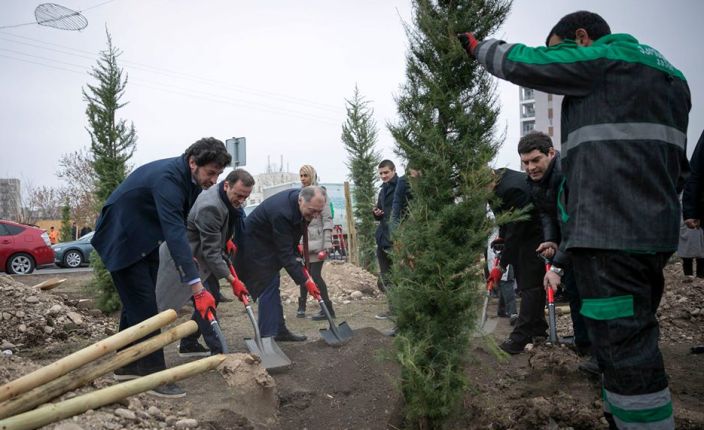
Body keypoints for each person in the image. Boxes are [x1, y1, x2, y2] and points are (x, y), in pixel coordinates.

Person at [460, 11, 690, 428]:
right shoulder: (671, 79)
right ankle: (622, 414)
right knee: (629, 335)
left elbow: (527, 63)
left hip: (610, 236)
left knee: (623, 349)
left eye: (559, 50)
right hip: (652, 234)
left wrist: (480, 49)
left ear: (582, 39)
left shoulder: (606, 60)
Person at [91, 137, 231, 398]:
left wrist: (188, 260)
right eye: (211, 173)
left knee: (138, 306)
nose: (214, 180)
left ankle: (127, 365)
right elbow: (174, 229)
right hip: (121, 237)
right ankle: (154, 375)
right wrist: (197, 288)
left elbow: (179, 221)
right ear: (193, 162)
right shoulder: (169, 179)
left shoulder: (189, 181)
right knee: (146, 309)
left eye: (219, 174)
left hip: (145, 238)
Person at [517, 131, 595, 373]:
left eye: (536, 160)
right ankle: (583, 344)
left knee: (589, 293)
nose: (530, 167)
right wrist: (551, 240)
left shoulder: (567, 176)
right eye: (525, 162)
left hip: (586, 243)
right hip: (566, 242)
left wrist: (558, 264)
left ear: (551, 153)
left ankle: (599, 353)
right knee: (573, 291)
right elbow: (546, 213)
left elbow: (576, 223)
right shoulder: (537, 181)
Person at [155, 169, 254, 356]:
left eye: (245, 197)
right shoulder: (211, 207)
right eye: (239, 195)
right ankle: (219, 352)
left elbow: (219, 231)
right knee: (205, 299)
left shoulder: (224, 197)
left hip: (200, 255)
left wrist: (226, 238)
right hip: (186, 257)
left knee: (213, 297)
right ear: (227, 186)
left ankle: (188, 344)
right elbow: (212, 254)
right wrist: (233, 281)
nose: (241, 201)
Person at [235, 186, 327, 342]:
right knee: (267, 284)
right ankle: (267, 336)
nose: (316, 216)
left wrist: (301, 266)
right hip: (253, 248)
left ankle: (278, 330)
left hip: (268, 244)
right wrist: (305, 280)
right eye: (313, 211)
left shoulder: (300, 204)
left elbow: (290, 246)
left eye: (319, 211)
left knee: (273, 283)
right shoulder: (282, 213)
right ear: (301, 201)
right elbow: (285, 253)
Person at [489, 168, 547, 354]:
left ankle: (520, 338)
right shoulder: (493, 186)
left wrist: (502, 264)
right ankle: (538, 330)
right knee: (528, 285)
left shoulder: (513, 189)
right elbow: (505, 219)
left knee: (530, 286)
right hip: (521, 235)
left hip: (535, 236)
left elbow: (516, 228)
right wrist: (501, 237)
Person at [296, 165, 335, 320]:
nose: (303, 178)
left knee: (315, 276)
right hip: (303, 243)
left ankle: (328, 309)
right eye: (301, 175)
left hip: (317, 244)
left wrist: (327, 245)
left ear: (312, 175)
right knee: (303, 275)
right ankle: (302, 307)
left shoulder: (321, 194)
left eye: (305, 175)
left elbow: (327, 220)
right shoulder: (300, 195)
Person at [373, 159, 398, 320]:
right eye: (381, 173)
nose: (383, 176)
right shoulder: (383, 190)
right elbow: (380, 210)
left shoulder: (401, 187)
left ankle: (401, 307)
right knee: (386, 276)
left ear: (394, 170)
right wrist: (376, 213)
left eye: (386, 172)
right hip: (383, 238)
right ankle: (393, 308)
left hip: (396, 239)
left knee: (398, 277)